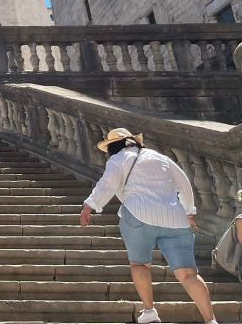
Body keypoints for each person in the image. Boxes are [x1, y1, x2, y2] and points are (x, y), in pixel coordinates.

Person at [80, 128, 218, 324]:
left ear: (112, 147)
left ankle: (150, 311)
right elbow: (184, 184)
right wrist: (189, 211)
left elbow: (107, 183)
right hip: (174, 218)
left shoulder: (118, 159)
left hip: (138, 215)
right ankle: (211, 320)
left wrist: (90, 205)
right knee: (188, 274)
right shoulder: (160, 158)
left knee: (140, 264)